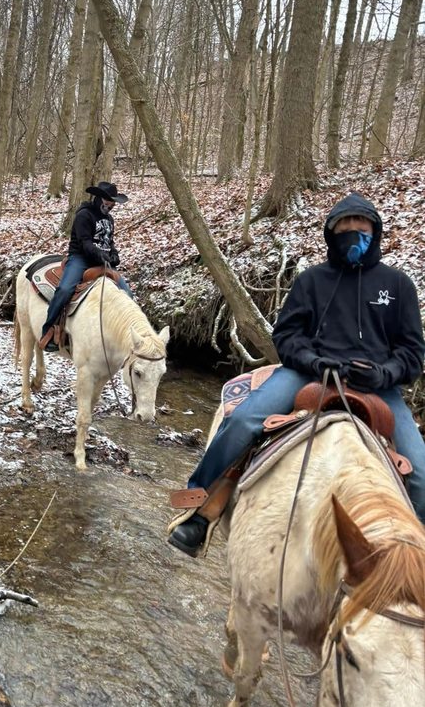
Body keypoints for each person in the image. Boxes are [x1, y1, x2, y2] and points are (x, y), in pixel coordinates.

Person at [168, 191, 425, 557]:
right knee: (243, 421)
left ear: (375, 230)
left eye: (361, 224)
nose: (353, 231)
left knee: (422, 474)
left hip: (378, 388)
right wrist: (315, 362)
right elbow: (286, 336)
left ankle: (412, 561)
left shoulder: (398, 286)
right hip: (308, 374)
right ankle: (198, 509)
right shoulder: (311, 281)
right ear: (331, 232)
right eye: (345, 225)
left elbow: (413, 354)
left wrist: (384, 373)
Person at [39, 181, 133, 352]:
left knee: (127, 293)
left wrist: (114, 254)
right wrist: (99, 254)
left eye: (112, 202)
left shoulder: (109, 219)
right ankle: (48, 331)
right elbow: (85, 243)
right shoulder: (84, 215)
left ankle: (128, 337)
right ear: (98, 198)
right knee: (65, 289)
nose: (110, 205)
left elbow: (108, 241)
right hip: (80, 258)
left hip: (102, 261)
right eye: (107, 201)